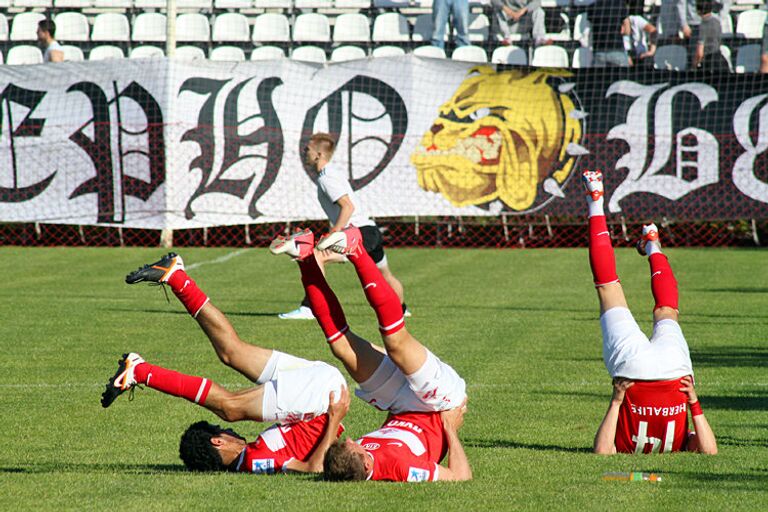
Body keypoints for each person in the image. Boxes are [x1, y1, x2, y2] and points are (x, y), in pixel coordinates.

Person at [101, 253, 350, 473]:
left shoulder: (251, 457)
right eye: (220, 429)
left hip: (319, 388)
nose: (229, 431)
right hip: (322, 395)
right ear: (217, 441)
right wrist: (336, 416)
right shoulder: (252, 461)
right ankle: (140, 371)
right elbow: (314, 469)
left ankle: (176, 277)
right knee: (230, 405)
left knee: (232, 357)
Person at [271, 227, 472, 481]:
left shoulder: (352, 461)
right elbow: (460, 477)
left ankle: (306, 257)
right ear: (367, 464)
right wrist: (450, 428)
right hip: (443, 402)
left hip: (400, 404)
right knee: (396, 343)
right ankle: (356, 249)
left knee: (342, 347)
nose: (355, 440)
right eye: (357, 446)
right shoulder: (399, 467)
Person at [581, 170, 717, 455]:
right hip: (634, 373)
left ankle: (654, 245)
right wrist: (618, 400)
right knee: (608, 287)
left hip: (675, 371)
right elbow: (602, 452)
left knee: (667, 310)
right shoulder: (649, 446)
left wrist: (693, 400)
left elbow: (709, 451)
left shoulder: (682, 444)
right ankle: (596, 201)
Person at [277, 132, 408, 321]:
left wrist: (334, 233)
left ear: (319, 154)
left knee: (315, 257)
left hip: (359, 233)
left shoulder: (326, 177)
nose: (304, 152)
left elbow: (348, 206)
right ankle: (402, 310)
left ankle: (310, 308)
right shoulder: (330, 173)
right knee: (385, 275)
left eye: (307, 149)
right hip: (370, 231)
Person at [585, 0, 631, 67]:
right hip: (617, 50)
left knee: (599, 77)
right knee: (621, 76)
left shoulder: (592, 7)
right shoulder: (620, 4)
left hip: (599, 51)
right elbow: (627, 31)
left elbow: (589, 31)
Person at [692, 1, 729, 72]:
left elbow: (700, 52)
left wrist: (694, 65)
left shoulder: (703, 25)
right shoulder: (717, 22)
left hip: (709, 63)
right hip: (720, 59)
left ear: (698, 11)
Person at [625, 1, 657, 68]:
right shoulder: (618, 19)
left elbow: (653, 30)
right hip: (625, 56)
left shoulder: (636, 19)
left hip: (640, 57)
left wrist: (651, 51)